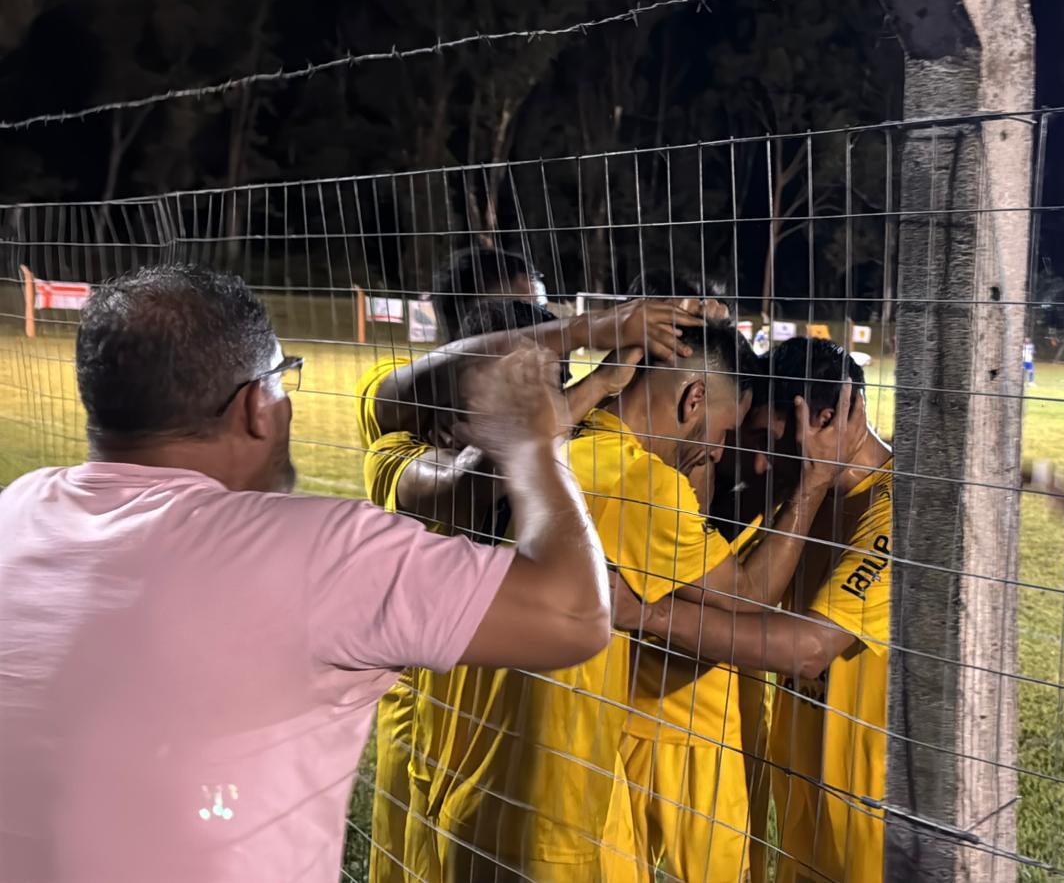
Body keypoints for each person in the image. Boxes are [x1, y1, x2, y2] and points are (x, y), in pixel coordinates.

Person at [0, 264, 615, 883]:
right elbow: (574, 617)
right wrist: (535, 445)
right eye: (282, 377)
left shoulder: (17, 510)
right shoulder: (320, 550)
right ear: (255, 406)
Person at [619, 338, 1064, 883]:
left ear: (825, 419)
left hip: (870, 810)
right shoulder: (805, 490)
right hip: (803, 786)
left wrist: (643, 614)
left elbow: (807, 651)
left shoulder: (901, 512)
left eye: (765, 438)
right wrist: (1036, 476)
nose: (754, 460)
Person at [360, 248, 706, 883]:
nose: (544, 333)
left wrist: (594, 388)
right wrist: (579, 346)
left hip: (543, 759)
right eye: (525, 322)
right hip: (435, 724)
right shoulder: (400, 437)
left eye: (544, 319)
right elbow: (455, 481)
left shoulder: (585, 444)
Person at [577, 322, 859, 883]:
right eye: (732, 432)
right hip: (660, 738)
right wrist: (812, 486)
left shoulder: (571, 432)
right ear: (693, 397)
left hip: (601, 729)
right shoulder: (644, 481)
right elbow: (749, 599)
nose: (718, 453)